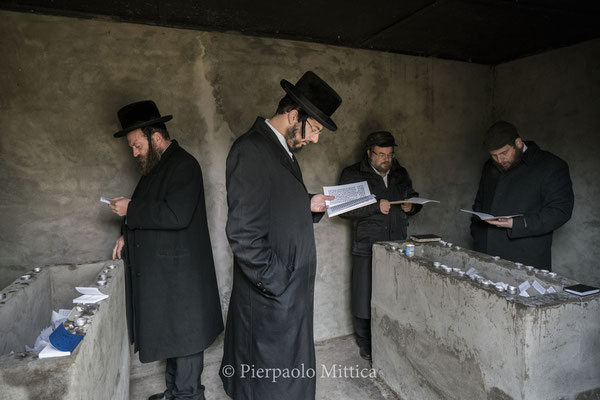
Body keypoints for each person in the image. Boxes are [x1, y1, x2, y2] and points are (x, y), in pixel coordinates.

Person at [219, 71, 342, 400]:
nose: (314, 139)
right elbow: (244, 233)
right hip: (271, 295)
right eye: (314, 129)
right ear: (293, 116)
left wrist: (308, 203)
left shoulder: (281, 150)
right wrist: (278, 283)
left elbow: (274, 203)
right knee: (269, 385)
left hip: (288, 292)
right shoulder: (251, 150)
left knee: (288, 379)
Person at [109, 100, 223, 400]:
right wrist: (125, 235)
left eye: (136, 145)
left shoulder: (184, 165)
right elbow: (148, 210)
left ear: (155, 136)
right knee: (174, 338)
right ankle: (174, 393)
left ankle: (187, 395)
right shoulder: (156, 167)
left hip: (182, 278)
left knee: (185, 340)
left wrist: (131, 209)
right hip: (168, 277)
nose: (134, 153)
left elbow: (176, 215)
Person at [338, 131, 422, 361]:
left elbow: (412, 196)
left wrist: (411, 206)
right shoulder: (353, 174)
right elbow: (343, 209)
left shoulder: (399, 173)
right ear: (369, 153)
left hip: (397, 245)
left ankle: (391, 337)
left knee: (394, 293)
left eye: (390, 154)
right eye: (381, 154)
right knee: (364, 294)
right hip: (367, 245)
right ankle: (365, 342)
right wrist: (374, 207)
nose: (387, 159)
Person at [470, 121, 574, 270]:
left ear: (518, 143)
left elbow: (560, 212)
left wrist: (516, 224)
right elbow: (479, 203)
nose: (500, 160)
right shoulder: (489, 166)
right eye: (494, 156)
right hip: (484, 257)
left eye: (504, 153)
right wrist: (478, 235)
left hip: (526, 262)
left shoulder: (551, 165)